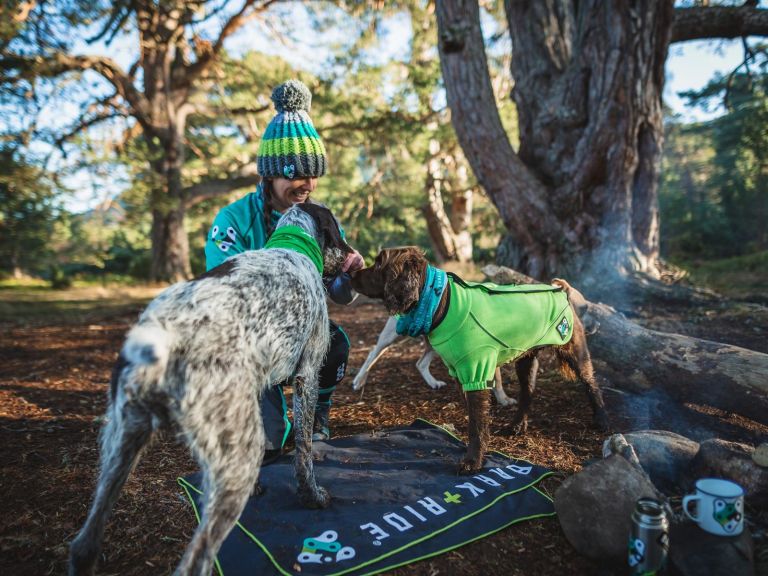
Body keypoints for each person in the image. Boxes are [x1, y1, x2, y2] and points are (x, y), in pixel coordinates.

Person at [204, 79, 364, 461]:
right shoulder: (233, 220)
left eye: (313, 175)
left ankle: (318, 415)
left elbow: (340, 295)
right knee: (269, 448)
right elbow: (219, 295)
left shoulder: (321, 220)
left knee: (336, 343)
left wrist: (348, 273)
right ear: (270, 174)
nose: (307, 185)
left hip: (306, 334)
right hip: (250, 343)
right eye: (296, 174)